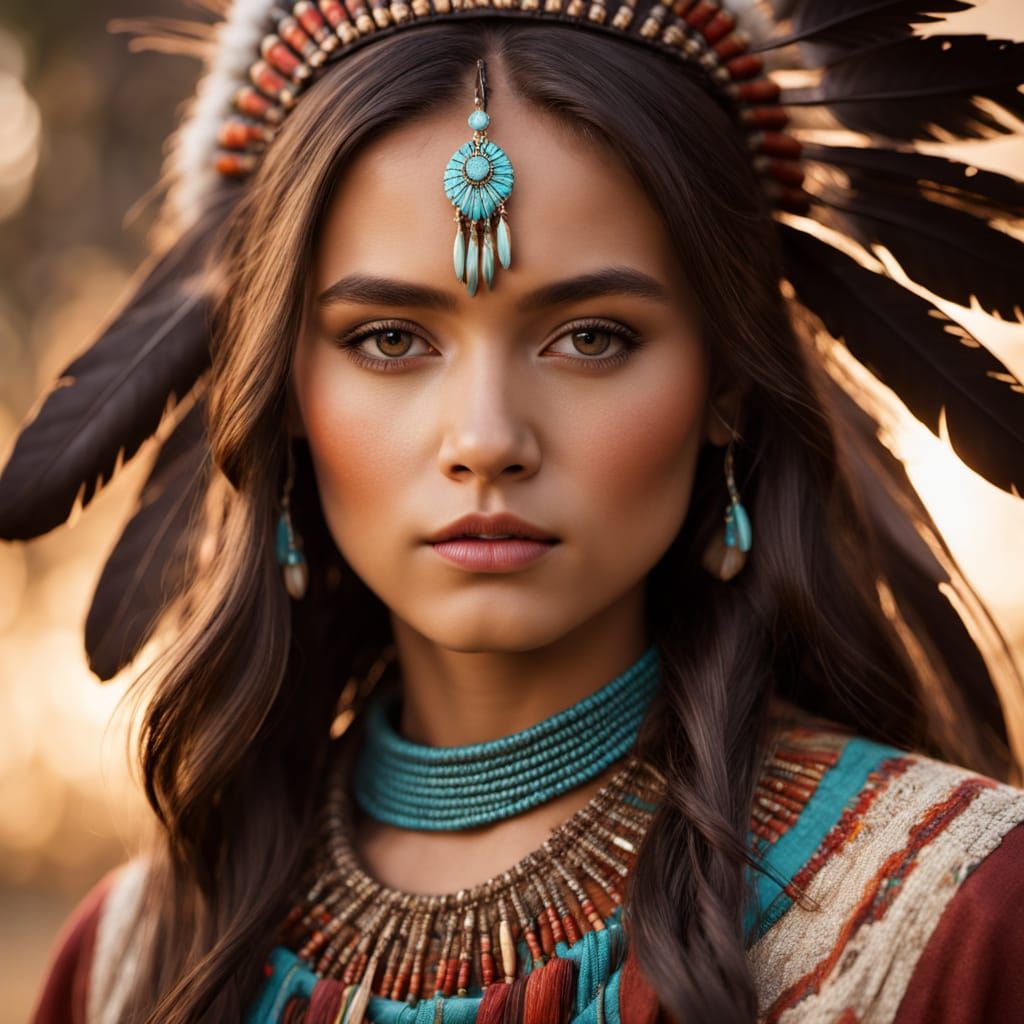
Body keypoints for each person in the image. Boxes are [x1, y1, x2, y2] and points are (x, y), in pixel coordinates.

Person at [9, 1, 1024, 1022]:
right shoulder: (131, 964)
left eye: (590, 337)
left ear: (725, 385)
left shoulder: (963, 923)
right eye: (390, 339)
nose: (487, 437)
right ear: (284, 392)